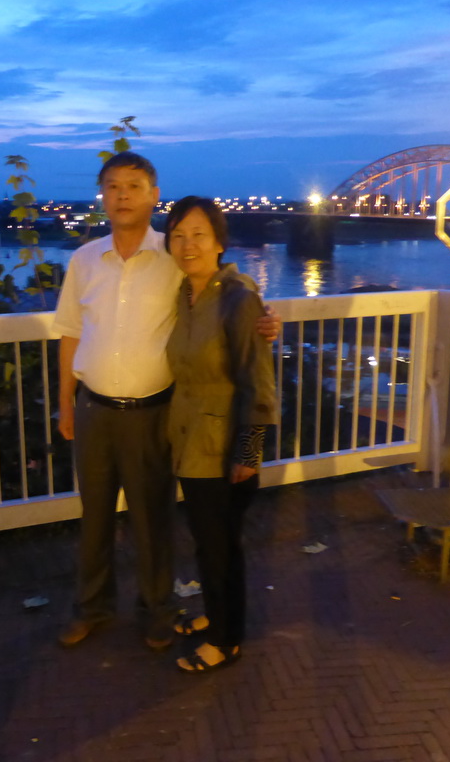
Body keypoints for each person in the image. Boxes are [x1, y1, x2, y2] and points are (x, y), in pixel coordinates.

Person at [53, 153, 278, 652]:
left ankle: (158, 609)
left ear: (154, 195)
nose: (123, 195)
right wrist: (65, 404)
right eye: (112, 187)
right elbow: (69, 333)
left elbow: (226, 285)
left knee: (152, 516)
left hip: (154, 411)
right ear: (102, 196)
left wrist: (264, 315)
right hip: (92, 408)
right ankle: (92, 606)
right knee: (93, 514)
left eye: (134, 186)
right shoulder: (85, 260)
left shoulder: (174, 255)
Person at [164, 196, 277, 673]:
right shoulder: (184, 295)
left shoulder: (237, 299)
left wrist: (248, 452)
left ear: (219, 242)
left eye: (199, 235)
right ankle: (216, 614)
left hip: (224, 444)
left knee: (220, 544)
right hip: (189, 439)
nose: (188, 245)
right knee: (208, 538)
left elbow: (258, 381)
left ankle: (227, 639)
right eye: (178, 236)